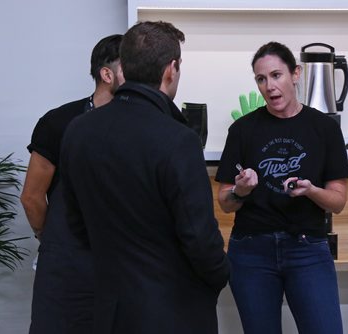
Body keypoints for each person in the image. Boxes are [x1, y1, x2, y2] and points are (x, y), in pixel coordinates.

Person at [59, 21, 230, 334]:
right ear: (171, 69)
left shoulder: (78, 130)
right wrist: (220, 274)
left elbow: (75, 221)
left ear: (125, 66)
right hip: (175, 310)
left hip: (108, 306)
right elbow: (199, 237)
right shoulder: (178, 139)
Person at [215, 41, 348, 334]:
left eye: (276, 75)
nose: (269, 86)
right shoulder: (242, 130)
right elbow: (225, 202)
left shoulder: (324, 129)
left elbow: (338, 202)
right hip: (251, 250)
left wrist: (311, 190)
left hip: (308, 249)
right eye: (261, 79)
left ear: (296, 74)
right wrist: (241, 190)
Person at [20, 34, 124, 334]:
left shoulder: (144, 124)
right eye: (131, 66)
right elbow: (32, 197)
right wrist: (51, 238)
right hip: (67, 265)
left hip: (122, 263)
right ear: (107, 74)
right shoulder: (59, 122)